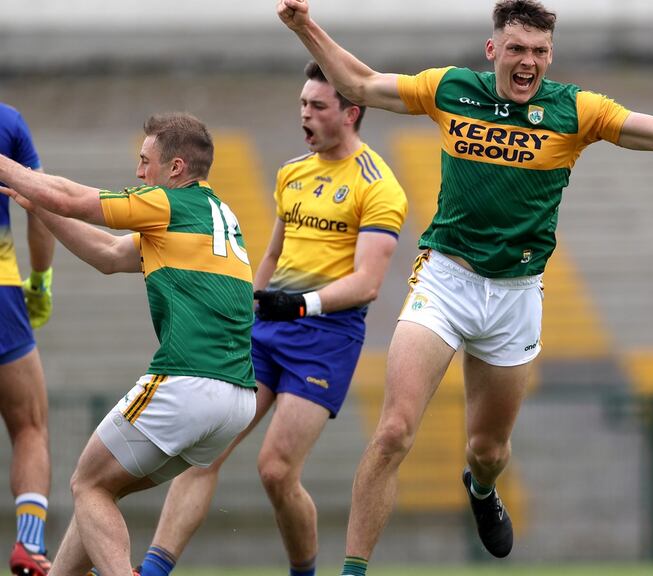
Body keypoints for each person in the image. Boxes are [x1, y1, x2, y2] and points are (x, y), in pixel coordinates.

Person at [277, 0, 653, 573]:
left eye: (540, 52)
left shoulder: (577, 110)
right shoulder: (450, 89)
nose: (528, 62)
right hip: (446, 280)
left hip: (517, 295)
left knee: (489, 451)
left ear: (551, 55)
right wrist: (305, 25)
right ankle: (353, 570)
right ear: (492, 50)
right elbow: (359, 81)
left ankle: (480, 488)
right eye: (518, 49)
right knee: (395, 432)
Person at [139, 62, 407, 576]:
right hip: (267, 330)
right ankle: (153, 571)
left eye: (318, 106)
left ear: (351, 112)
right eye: (302, 104)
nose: (305, 115)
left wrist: (303, 304)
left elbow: (368, 282)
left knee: (276, 470)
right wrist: (248, 303)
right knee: (205, 451)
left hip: (326, 338)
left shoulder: (379, 185)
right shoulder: (292, 172)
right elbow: (271, 256)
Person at [0, 112, 258, 576]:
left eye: (146, 161)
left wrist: (15, 171)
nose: (139, 173)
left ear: (175, 168)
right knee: (100, 489)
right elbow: (107, 254)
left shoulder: (166, 204)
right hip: (236, 398)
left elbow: (74, 198)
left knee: (86, 484)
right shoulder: (215, 213)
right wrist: (39, 208)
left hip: (188, 380)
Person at [1, 102, 56, 576]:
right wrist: (39, 281)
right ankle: (29, 545)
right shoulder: (8, 121)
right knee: (29, 426)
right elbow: (37, 206)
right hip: (1, 293)